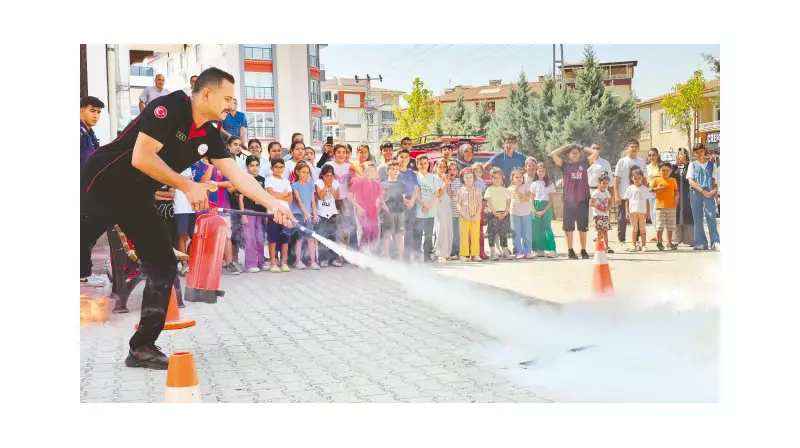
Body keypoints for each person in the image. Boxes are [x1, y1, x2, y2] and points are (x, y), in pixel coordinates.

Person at [80, 67, 294, 370]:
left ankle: (141, 347)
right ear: (207, 93)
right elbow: (141, 157)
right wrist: (187, 184)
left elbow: (237, 176)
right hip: (103, 183)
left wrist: (274, 204)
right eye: (228, 98)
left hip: (137, 197)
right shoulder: (167, 108)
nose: (232, 106)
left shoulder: (210, 134)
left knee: (163, 266)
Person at [551, 143, 600, 260]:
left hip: (582, 200)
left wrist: (581, 147)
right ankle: (570, 250)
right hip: (569, 201)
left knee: (582, 227)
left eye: (577, 153)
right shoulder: (564, 165)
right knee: (569, 228)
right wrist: (566, 146)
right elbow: (553, 154)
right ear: (568, 155)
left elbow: (595, 153)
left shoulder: (584, 164)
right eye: (572, 152)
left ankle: (583, 250)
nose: (575, 154)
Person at [194, 157, 241, 274]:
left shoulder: (222, 165)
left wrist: (217, 183)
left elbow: (231, 183)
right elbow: (201, 182)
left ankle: (229, 263)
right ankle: (207, 264)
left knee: (226, 236)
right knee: (206, 237)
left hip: (223, 206)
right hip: (205, 207)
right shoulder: (197, 165)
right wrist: (211, 166)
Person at [686, 144, 720, 251]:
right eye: (696, 152)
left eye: (701, 151)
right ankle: (701, 242)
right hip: (696, 193)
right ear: (694, 153)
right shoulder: (692, 164)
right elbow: (691, 181)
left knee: (711, 216)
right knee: (697, 218)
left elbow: (715, 180)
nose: (699, 153)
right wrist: (701, 191)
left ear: (704, 151)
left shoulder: (712, 165)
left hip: (709, 192)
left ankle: (715, 242)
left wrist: (713, 192)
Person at [614, 139, 646, 250]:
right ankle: (621, 240)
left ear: (638, 149)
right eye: (632, 146)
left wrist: (645, 192)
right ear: (627, 149)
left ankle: (636, 241)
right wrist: (616, 194)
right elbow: (617, 179)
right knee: (622, 218)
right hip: (624, 195)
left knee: (637, 220)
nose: (634, 148)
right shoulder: (622, 162)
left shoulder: (641, 162)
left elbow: (644, 179)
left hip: (637, 197)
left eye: (636, 146)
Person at [239, 155, 268, 273]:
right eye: (251, 166)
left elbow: (266, 197)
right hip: (248, 210)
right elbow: (240, 198)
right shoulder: (244, 179)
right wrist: (243, 214)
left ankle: (260, 262)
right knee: (250, 237)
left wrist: (266, 212)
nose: (254, 168)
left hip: (261, 211)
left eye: (256, 165)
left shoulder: (262, 179)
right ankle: (251, 263)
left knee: (260, 237)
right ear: (247, 167)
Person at [265, 158, 293, 272]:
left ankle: (284, 262)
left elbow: (290, 198)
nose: (279, 169)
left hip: (285, 213)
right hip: (273, 213)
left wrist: (279, 195)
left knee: (285, 239)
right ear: (272, 168)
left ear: (284, 168)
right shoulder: (269, 180)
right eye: (276, 167)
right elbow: (271, 194)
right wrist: (285, 193)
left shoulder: (286, 181)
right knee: (273, 239)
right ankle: (273, 263)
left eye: (281, 167)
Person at [349, 161, 384, 253]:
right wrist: (357, 207)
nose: (370, 173)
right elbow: (349, 195)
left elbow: (380, 197)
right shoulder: (359, 183)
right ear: (363, 171)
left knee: (375, 233)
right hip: (362, 211)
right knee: (366, 230)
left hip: (373, 211)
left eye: (373, 171)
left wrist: (382, 204)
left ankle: (372, 254)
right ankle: (363, 252)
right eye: (368, 170)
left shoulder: (377, 184)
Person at [326, 144, 355, 255]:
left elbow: (355, 183)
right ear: (334, 153)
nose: (341, 154)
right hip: (331, 200)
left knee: (346, 229)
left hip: (345, 201)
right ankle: (333, 255)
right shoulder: (328, 165)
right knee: (333, 228)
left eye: (344, 152)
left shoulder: (350, 167)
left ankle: (344, 253)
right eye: (339, 152)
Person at [291, 161, 320, 269]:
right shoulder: (295, 185)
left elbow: (313, 201)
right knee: (300, 239)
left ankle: (313, 262)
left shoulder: (310, 186)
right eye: (303, 172)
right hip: (299, 215)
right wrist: (305, 213)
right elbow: (299, 201)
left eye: (308, 172)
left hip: (309, 215)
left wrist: (315, 214)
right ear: (297, 172)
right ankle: (298, 261)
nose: (306, 175)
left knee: (310, 239)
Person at [415, 155, 443, 262]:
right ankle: (417, 255)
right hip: (418, 211)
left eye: (425, 163)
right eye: (420, 163)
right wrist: (424, 205)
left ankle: (426, 255)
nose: (423, 165)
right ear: (417, 165)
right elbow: (416, 194)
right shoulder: (416, 177)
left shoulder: (433, 178)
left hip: (430, 211)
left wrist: (429, 205)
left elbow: (436, 193)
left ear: (428, 164)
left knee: (428, 234)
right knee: (417, 234)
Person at [315, 164, 342, 267]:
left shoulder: (335, 183)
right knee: (322, 236)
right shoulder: (319, 183)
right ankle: (323, 258)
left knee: (333, 236)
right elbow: (320, 197)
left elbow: (336, 197)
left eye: (331, 175)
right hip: (322, 213)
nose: (329, 178)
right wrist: (326, 185)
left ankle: (333, 258)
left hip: (332, 213)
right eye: (327, 175)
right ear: (322, 175)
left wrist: (330, 186)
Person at [396, 148, 420, 262]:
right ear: (397, 158)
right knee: (399, 231)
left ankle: (407, 257)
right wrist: (404, 200)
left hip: (411, 203)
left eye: (406, 157)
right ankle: (398, 255)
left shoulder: (412, 173)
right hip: (399, 203)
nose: (404, 159)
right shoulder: (395, 171)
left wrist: (412, 200)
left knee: (409, 230)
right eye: (401, 157)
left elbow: (416, 188)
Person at [650, 162, 680, 251]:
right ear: (659, 171)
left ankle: (669, 242)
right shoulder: (656, 179)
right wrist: (657, 189)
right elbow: (650, 190)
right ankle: (659, 242)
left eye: (667, 170)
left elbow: (676, 190)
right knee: (660, 226)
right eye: (663, 170)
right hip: (660, 207)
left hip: (671, 206)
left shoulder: (673, 180)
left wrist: (677, 197)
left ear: (670, 171)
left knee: (670, 226)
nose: (665, 172)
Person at [484, 168, 512, 260]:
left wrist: (506, 212)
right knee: (492, 233)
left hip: (504, 214)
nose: (497, 179)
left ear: (502, 178)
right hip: (493, 214)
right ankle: (493, 252)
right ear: (491, 179)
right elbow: (489, 203)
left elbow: (508, 202)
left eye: (499, 177)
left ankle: (505, 250)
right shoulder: (489, 189)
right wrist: (495, 213)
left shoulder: (505, 190)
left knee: (503, 233)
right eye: (494, 178)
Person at [530, 163, 557, 257]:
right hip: (536, 206)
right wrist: (534, 210)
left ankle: (552, 250)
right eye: (539, 171)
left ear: (546, 172)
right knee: (536, 229)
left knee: (547, 228)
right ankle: (537, 249)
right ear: (536, 172)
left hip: (546, 207)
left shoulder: (550, 184)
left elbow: (550, 201)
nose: (541, 173)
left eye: (543, 171)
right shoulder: (534, 183)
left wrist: (544, 211)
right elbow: (531, 198)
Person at [456, 168, 483, 262]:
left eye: (470, 177)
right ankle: (463, 254)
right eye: (466, 177)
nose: (468, 179)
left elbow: (480, 203)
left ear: (474, 178)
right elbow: (458, 204)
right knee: (464, 236)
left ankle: (475, 254)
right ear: (462, 178)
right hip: (464, 218)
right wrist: (464, 215)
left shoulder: (477, 190)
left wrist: (477, 215)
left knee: (475, 236)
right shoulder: (460, 191)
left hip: (475, 217)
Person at [381, 160, 406, 260]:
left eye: (397, 169)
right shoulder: (382, 185)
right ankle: (386, 255)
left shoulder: (402, 184)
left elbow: (404, 199)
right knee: (387, 234)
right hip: (388, 212)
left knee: (399, 235)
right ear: (388, 171)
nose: (395, 171)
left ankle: (400, 256)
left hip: (400, 212)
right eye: (392, 169)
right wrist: (383, 204)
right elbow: (380, 198)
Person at [173, 167, 196, 276]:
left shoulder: (195, 166)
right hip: (180, 207)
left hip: (194, 206)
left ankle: (191, 262)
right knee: (183, 236)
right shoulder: (177, 165)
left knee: (194, 236)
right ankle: (184, 265)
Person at [671, 148, 695, 247]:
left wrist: (685, 164)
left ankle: (690, 240)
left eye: (683, 154)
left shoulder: (691, 166)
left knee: (688, 215)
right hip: (676, 195)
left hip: (687, 195)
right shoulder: (673, 166)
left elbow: (689, 179)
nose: (681, 156)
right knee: (676, 215)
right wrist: (675, 164)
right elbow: (670, 177)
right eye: (679, 154)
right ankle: (675, 240)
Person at [623, 167, 651, 252]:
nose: (637, 180)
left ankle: (644, 245)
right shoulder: (629, 188)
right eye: (635, 178)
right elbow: (627, 201)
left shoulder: (645, 189)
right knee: (634, 229)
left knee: (642, 229)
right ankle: (634, 245)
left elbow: (647, 201)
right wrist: (627, 212)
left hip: (642, 212)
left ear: (642, 178)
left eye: (639, 178)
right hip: (633, 212)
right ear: (632, 178)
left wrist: (648, 212)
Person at [508, 168, 533, 259]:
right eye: (516, 177)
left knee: (527, 233)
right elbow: (509, 201)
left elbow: (527, 198)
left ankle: (527, 251)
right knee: (516, 233)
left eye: (520, 177)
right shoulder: (509, 189)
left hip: (526, 213)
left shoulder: (526, 186)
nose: (519, 179)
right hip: (514, 213)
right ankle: (518, 251)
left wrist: (518, 192)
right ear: (512, 179)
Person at [432, 160, 454, 261]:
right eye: (440, 167)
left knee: (448, 228)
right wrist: (445, 182)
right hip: (438, 205)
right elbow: (439, 193)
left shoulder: (446, 179)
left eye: (444, 167)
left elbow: (450, 194)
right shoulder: (434, 178)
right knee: (441, 229)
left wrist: (448, 182)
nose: (442, 169)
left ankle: (447, 252)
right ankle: (440, 252)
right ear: (436, 167)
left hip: (447, 205)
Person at [589, 174, 614, 254]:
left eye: (607, 183)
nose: (605, 185)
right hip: (598, 215)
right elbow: (591, 203)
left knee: (605, 231)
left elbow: (610, 203)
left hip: (605, 215)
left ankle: (607, 247)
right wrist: (599, 207)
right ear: (599, 183)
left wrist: (608, 208)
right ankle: (599, 247)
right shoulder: (595, 193)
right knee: (599, 232)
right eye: (603, 183)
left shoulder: (607, 193)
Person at [80, 96, 104, 172]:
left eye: (98, 112)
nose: (96, 116)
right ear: (81, 111)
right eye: (92, 111)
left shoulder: (90, 133)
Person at [472, 163, 489, 259]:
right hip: (471, 207)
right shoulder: (469, 181)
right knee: (472, 230)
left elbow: (483, 194)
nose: (478, 173)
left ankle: (481, 251)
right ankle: (473, 252)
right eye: (475, 171)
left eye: (480, 171)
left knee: (480, 229)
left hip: (480, 206)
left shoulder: (482, 182)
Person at [645, 148, 661, 241]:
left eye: (654, 155)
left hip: (660, 194)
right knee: (652, 215)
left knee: (658, 214)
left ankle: (661, 236)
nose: (652, 157)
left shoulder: (661, 167)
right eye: (650, 155)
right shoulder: (646, 168)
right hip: (650, 194)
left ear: (657, 156)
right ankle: (657, 234)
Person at [447, 161, 462, 258]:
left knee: (458, 233)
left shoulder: (459, 182)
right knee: (450, 233)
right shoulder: (445, 181)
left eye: (454, 170)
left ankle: (459, 251)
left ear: (457, 171)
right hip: (448, 212)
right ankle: (452, 252)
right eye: (450, 170)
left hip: (457, 212)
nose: (452, 172)